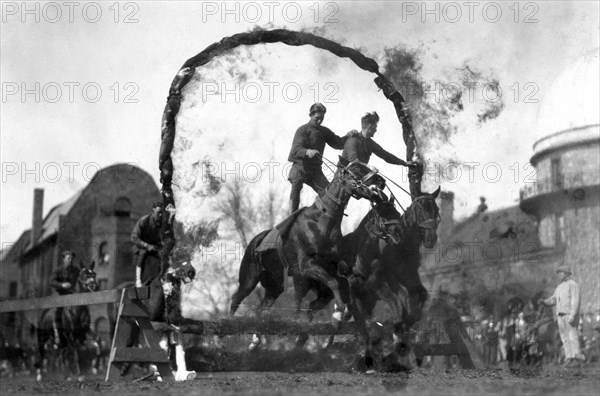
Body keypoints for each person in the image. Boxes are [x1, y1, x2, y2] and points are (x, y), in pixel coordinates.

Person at [287, 102, 357, 213]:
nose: (319, 121)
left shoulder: (324, 131)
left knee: (329, 195)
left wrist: (348, 136)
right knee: (295, 194)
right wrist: (307, 151)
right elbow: (295, 150)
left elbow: (338, 143)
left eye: (322, 118)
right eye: (317, 118)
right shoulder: (302, 130)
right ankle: (290, 219)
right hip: (300, 168)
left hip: (315, 171)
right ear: (311, 115)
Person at [539, 265, 584, 368]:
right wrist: (544, 302)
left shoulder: (573, 285)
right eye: (559, 273)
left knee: (572, 336)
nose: (559, 275)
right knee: (564, 337)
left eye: (561, 272)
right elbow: (553, 300)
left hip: (569, 314)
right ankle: (569, 358)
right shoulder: (559, 287)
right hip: (560, 315)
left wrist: (573, 315)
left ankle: (577, 358)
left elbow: (575, 301)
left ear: (566, 273)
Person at [342, 112, 414, 168]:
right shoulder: (352, 140)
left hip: (357, 177)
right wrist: (369, 167)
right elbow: (354, 161)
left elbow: (385, 155)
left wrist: (404, 163)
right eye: (375, 127)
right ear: (370, 127)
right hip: (342, 180)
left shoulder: (370, 143)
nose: (376, 130)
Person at [49, 250, 80, 345]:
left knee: (79, 308)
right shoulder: (58, 270)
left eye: (71, 258)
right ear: (64, 259)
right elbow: (51, 282)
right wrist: (62, 285)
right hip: (59, 293)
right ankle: (57, 335)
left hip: (70, 293)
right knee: (57, 311)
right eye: (68, 258)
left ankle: (79, 331)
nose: (70, 260)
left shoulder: (76, 270)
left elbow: (78, 281)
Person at [131, 202, 163, 288]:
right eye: (158, 212)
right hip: (140, 246)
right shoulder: (144, 220)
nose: (160, 215)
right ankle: (138, 281)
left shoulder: (162, 224)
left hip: (154, 247)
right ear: (153, 211)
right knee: (143, 253)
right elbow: (134, 237)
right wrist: (147, 245)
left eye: (161, 213)